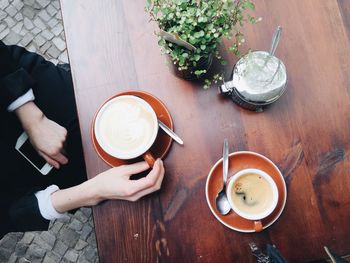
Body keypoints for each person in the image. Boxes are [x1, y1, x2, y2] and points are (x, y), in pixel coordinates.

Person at [0, 40, 165, 239]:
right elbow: (8, 215)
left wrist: (30, 114)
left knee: (112, 94)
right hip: (27, 179)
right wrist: (94, 191)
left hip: (26, 92)